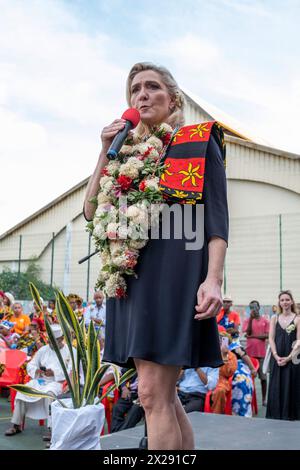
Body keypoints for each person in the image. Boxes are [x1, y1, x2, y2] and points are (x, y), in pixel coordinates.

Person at [84, 62, 228, 450]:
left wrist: (213, 279)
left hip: (174, 282)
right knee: (159, 396)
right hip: (131, 281)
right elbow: (90, 210)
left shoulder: (195, 142)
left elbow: (216, 218)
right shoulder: (124, 152)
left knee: (150, 394)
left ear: (173, 98)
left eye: (152, 87)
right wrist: (103, 152)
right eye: (135, 90)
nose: (141, 95)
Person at [5, 325, 72, 436]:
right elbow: (31, 364)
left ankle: (52, 429)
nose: (50, 343)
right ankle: (16, 425)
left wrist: (54, 373)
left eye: (53, 341)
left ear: (61, 338)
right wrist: (37, 370)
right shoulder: (44, 349)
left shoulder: (70, 351)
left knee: (49, 395)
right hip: (41, 380)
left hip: (58, 382)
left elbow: (72, 372)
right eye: (49, 340)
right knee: (22, 391)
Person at [266, 290, 300, 420]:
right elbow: (271, 339)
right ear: (279, 302)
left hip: (293, 359)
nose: (285, 302)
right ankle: (275, 414)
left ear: (291, 301)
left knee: (291, 385)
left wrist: (289, 358)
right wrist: (276, 356)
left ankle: (290, 414)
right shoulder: (274, 318)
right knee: (276, 386)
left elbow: (299, 341)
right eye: (282, 300)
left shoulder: (297, 319)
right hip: (277, 359)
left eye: (287, 299)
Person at [242, 300, 269, 406]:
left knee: (263, 378)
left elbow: (266, 336)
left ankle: (264, 399)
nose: (254, 309)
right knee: (249, 378)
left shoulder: (265, 321)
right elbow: (247, 332)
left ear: (259, 307)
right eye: (251, 307)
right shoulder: (247, 320)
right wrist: (250, 320)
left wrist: (252, 336)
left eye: (255, 307)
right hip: (250, 354)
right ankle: (249, 399)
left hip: (261, 354)